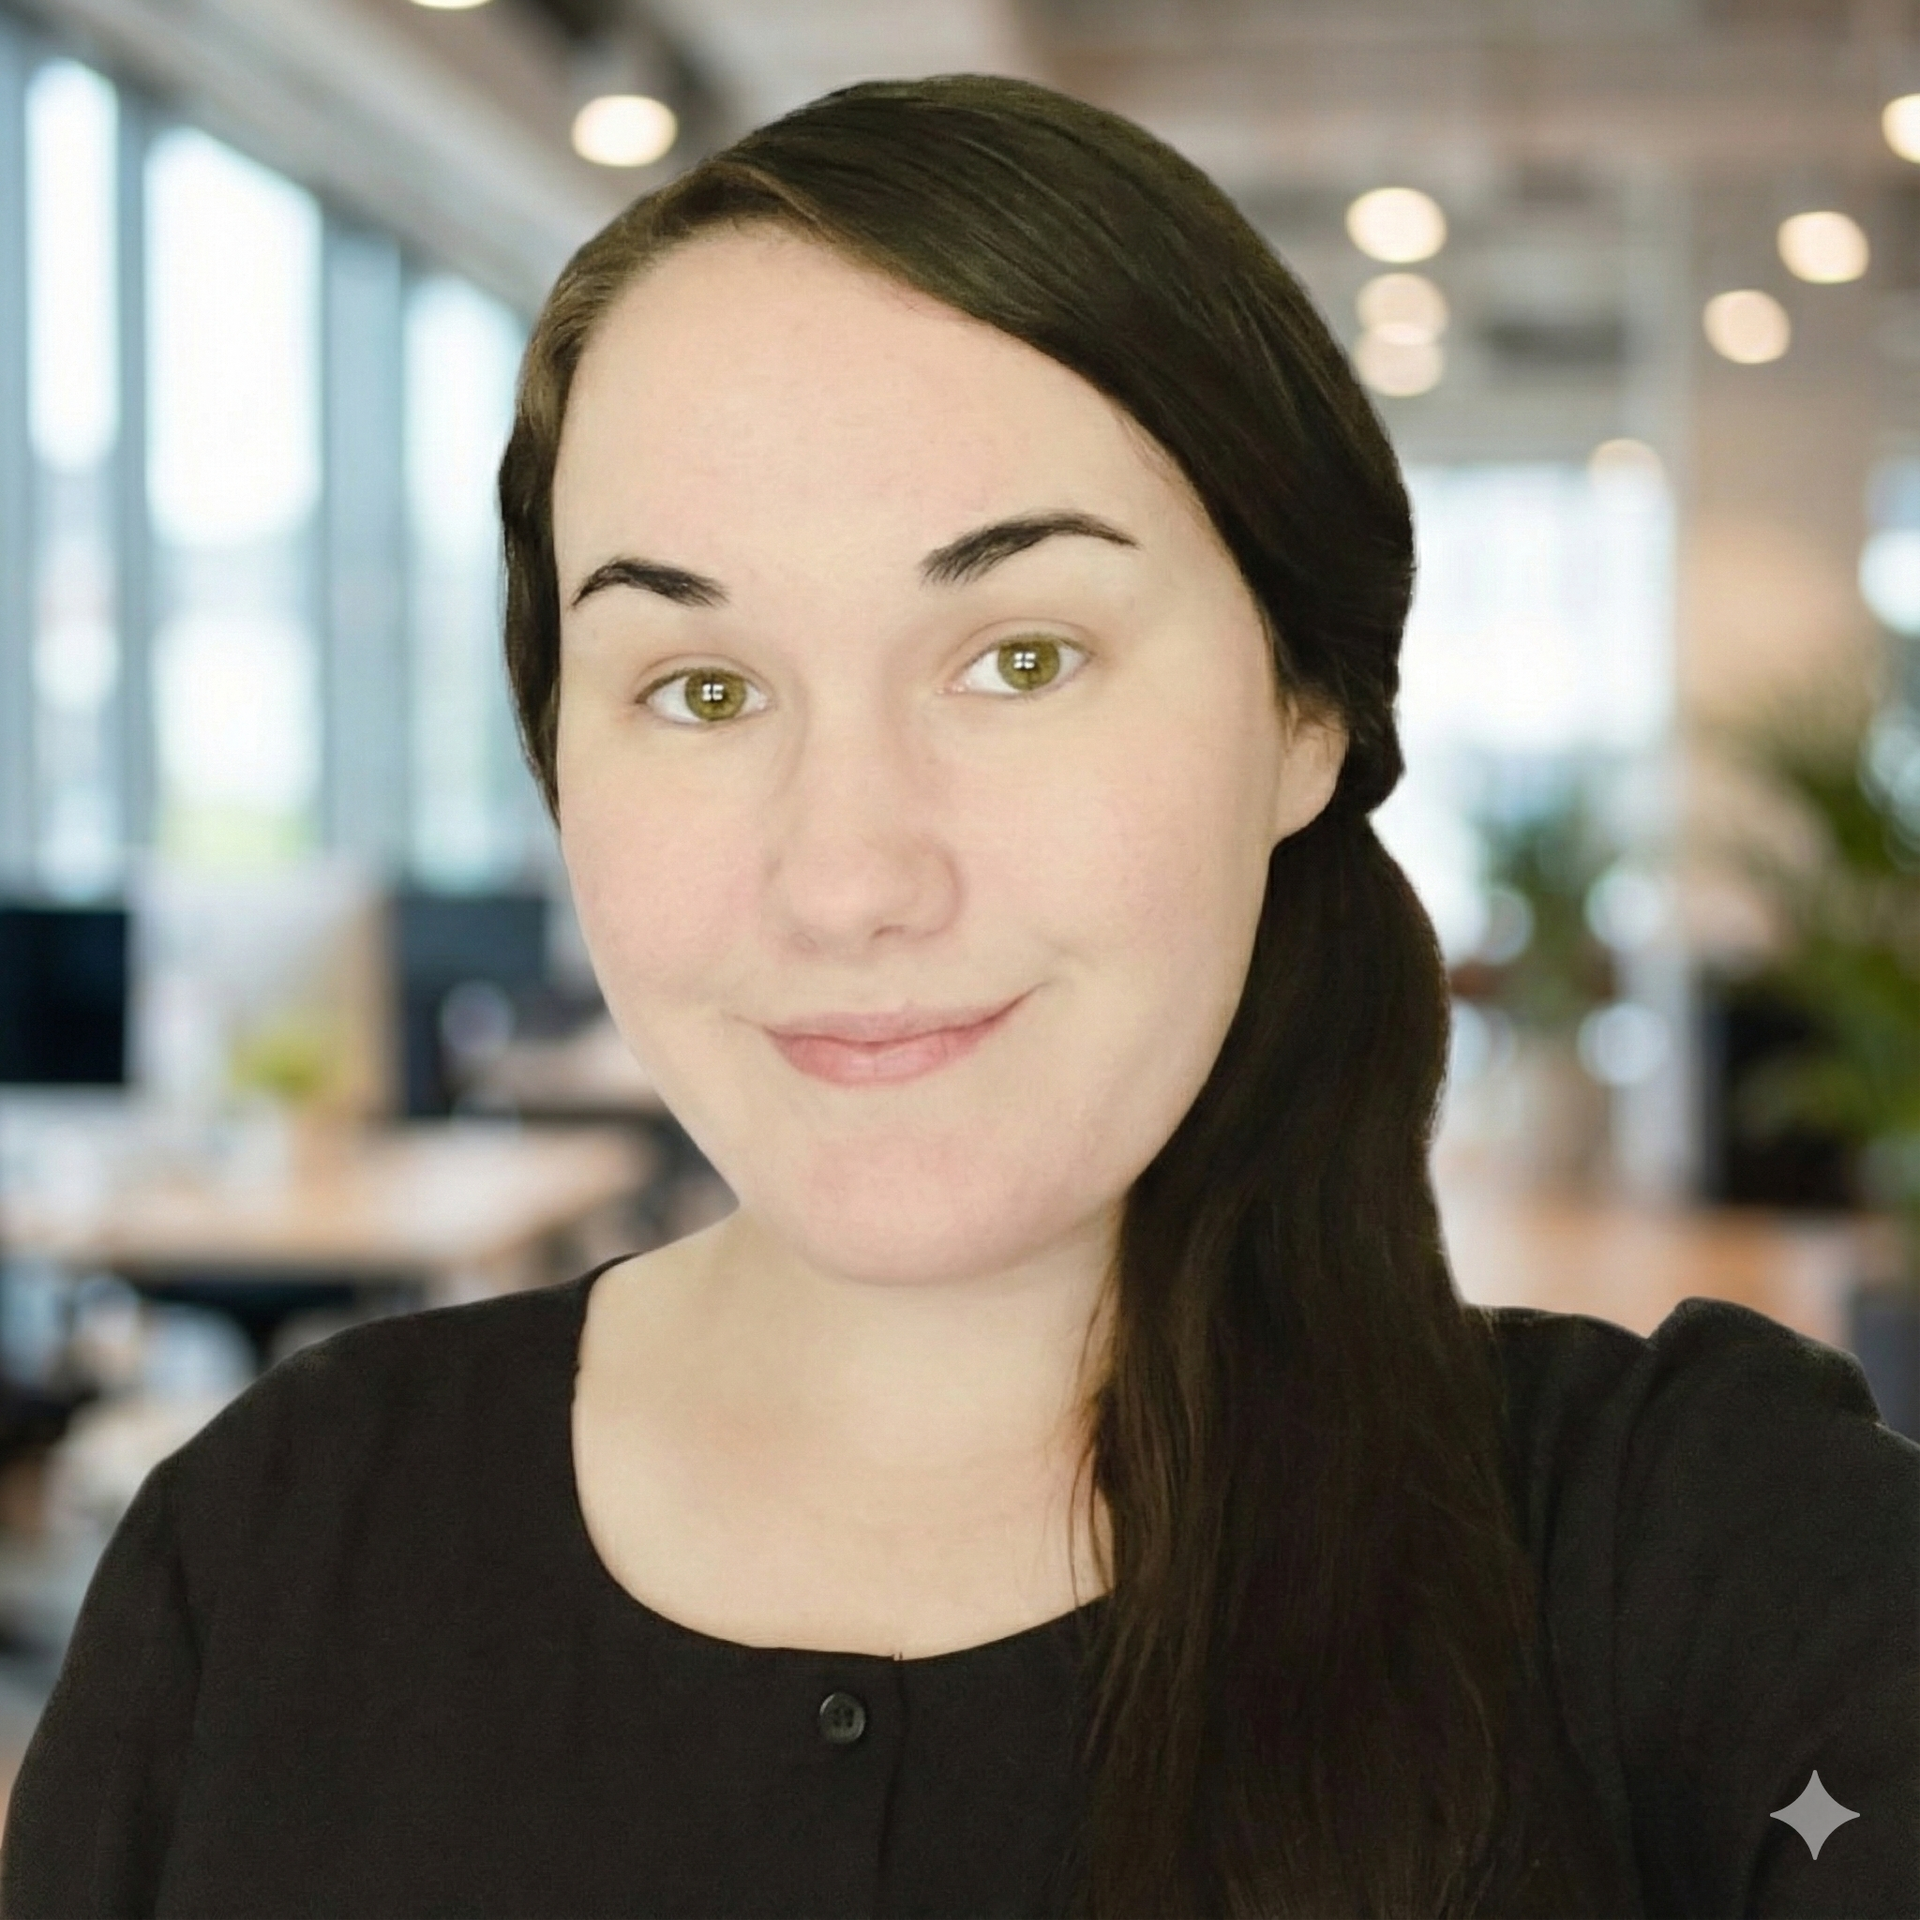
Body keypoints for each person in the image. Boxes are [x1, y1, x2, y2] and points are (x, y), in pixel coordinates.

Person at [3, 71, 1915, 1920]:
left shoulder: (1697, 1573)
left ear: (1303, 712)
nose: (846, 877)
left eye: (1019, 657)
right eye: (703, 688)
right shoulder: (262, 1569)